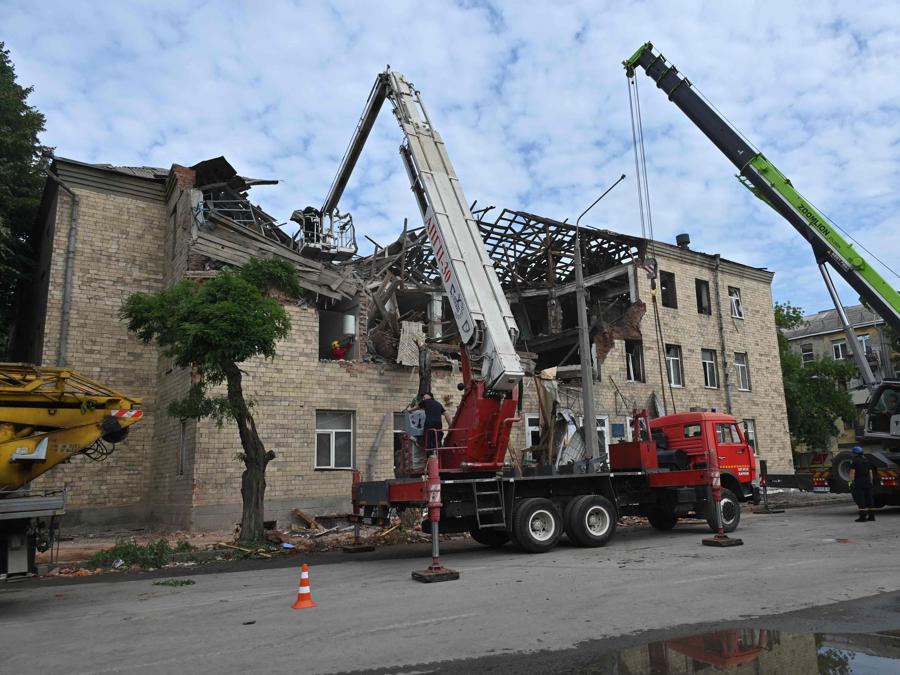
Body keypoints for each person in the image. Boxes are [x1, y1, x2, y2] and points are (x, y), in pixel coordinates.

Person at [848, 446, 876, 522]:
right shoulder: (867, 460)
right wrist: (871, 482)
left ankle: (863, 517)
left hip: (859, 482)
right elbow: (870, 473)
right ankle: (872, 516)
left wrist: (850, 483)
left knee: (861, 499)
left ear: (855, 453)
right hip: (867, 482)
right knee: (869, 499)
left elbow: (852, 473)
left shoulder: (855, 462)